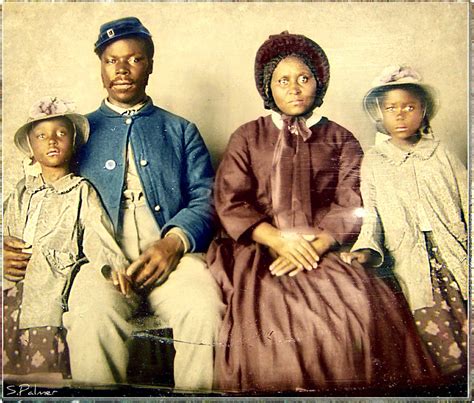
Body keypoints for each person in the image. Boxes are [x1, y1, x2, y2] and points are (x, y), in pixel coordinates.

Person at [208, 32, 439, 393]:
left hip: (323, 248)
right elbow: (230, 200)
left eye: (304, 78)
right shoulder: (247, 137)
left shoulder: (341, 138)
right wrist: (277, 240)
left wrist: (313, 246)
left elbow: (351, 202)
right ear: (269, 87)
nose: (295, 89)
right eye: (283, 81)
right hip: (259, 247)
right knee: (270, 323)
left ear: (319, 82)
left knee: (357, 307)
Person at [61, 17, 224, 391]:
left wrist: (173, 243)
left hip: (173, 258)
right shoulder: (76, 131)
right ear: (100, 66)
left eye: (134, 59)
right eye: (111, 60)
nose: (121, 69)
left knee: (204, 311)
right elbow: (51, 190)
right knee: (89, 317)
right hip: (102, 261)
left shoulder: (181, 129)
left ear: (150, 63)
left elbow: (206, 196)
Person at [341, 65, 468, 379]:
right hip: (411, 263)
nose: (400, 115)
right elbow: (370, 216)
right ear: (379, 114)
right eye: (391, 108)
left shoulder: (442, 154)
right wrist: (365, 250)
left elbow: (469, 200)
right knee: (436, 339)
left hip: (454, 255)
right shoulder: (374, 162)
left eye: (409, 107)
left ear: (423, 111)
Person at [3, 96, 131, 382]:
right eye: (41, 135)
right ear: (31, 148)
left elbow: (98, 236)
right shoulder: (22, 191)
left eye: (61, 133)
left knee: (46, 374)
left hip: (51, 287)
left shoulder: (80, 191)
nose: (52, 141)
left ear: (73, 142)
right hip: (13, 289)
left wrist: (111, 266)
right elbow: (5, 231)